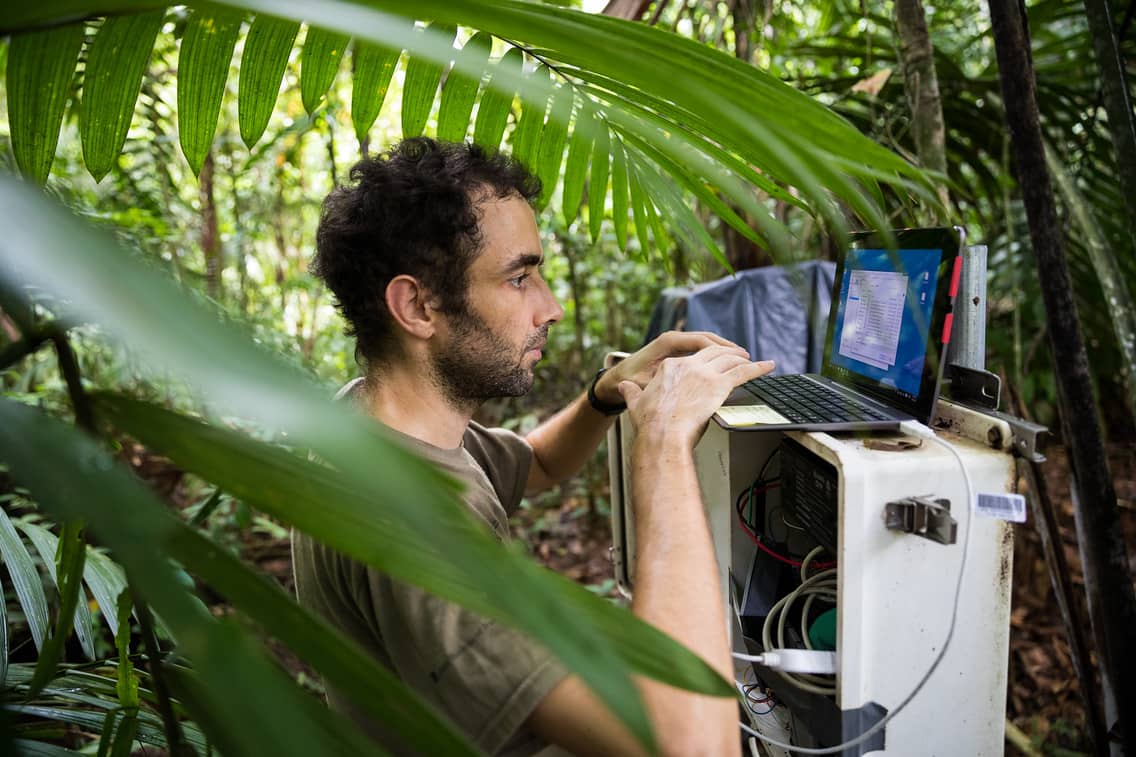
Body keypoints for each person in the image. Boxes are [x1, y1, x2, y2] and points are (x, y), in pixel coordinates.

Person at [292, 137, 773, 756]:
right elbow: (694, 748)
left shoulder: (373, 420)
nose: (552, 307)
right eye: (519, 278)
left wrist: (603, 396)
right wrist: (661, 444)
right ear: (417, 306)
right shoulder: (415, 528)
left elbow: (539, 461)